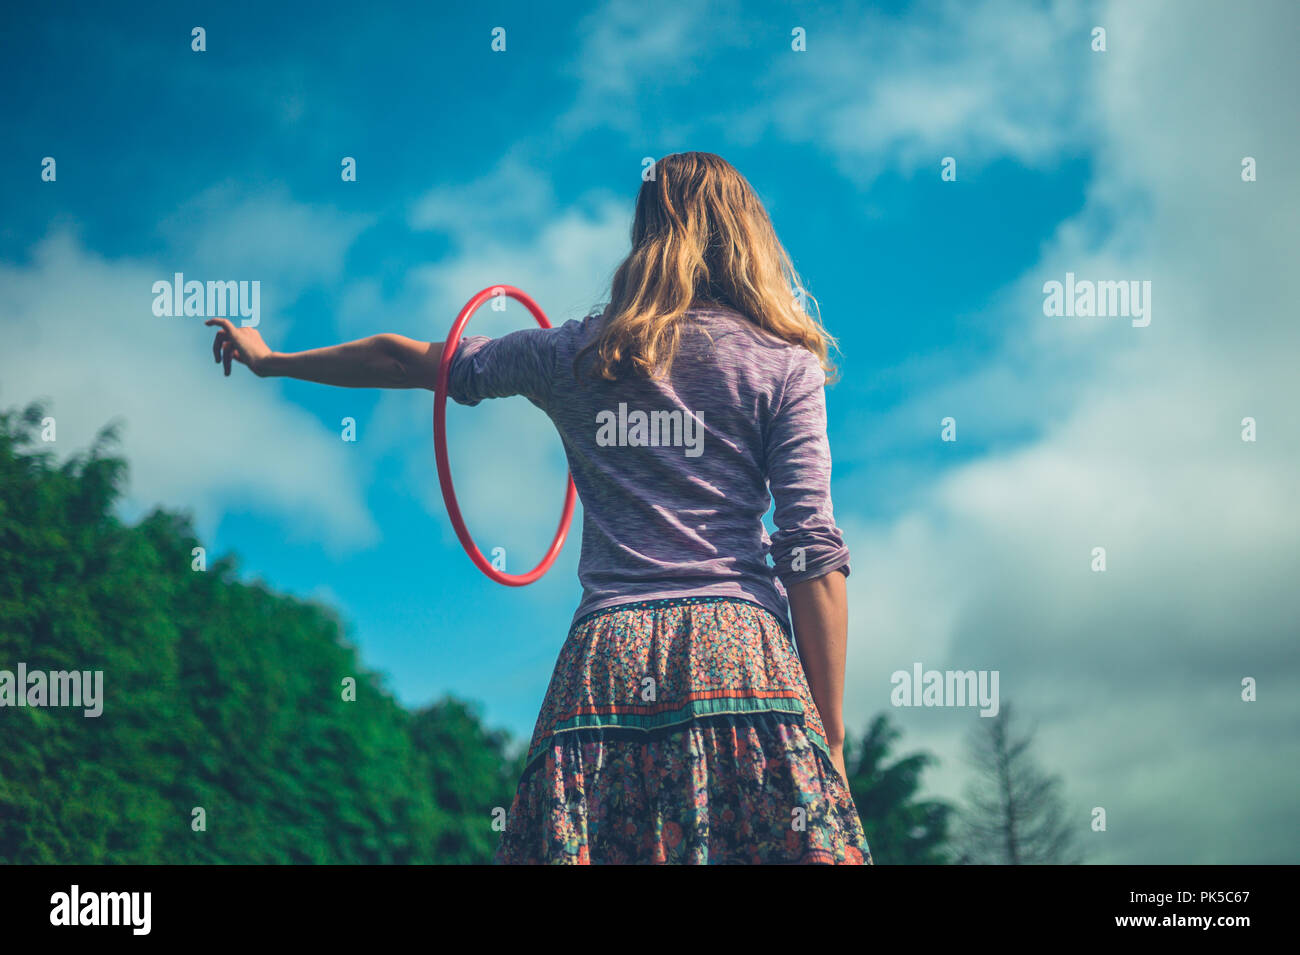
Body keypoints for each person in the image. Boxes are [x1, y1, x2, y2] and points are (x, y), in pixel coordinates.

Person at [207, 151, 872, 865]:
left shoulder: (575, 353)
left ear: (646, 232)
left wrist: (271, 359)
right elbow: (809, 549)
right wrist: (828, 734)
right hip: (743, 657)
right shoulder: (784, 361)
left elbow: (403, 361)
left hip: (604, 662)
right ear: (747, 234)